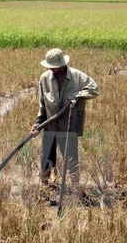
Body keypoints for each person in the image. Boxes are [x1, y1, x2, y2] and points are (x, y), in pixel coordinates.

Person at [31, 48, 100, 189]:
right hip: (50, 126)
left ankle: (75, 189)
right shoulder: (44, 78)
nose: (52, 68)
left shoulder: (77, 76)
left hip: (69, 125)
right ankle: (45, 190)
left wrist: (78, 95)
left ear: (62, 64)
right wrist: (38, 123)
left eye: (55, 66)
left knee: (71, 159)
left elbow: (95, 90)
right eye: (50, 66)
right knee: (46, 159)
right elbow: (42, 104)